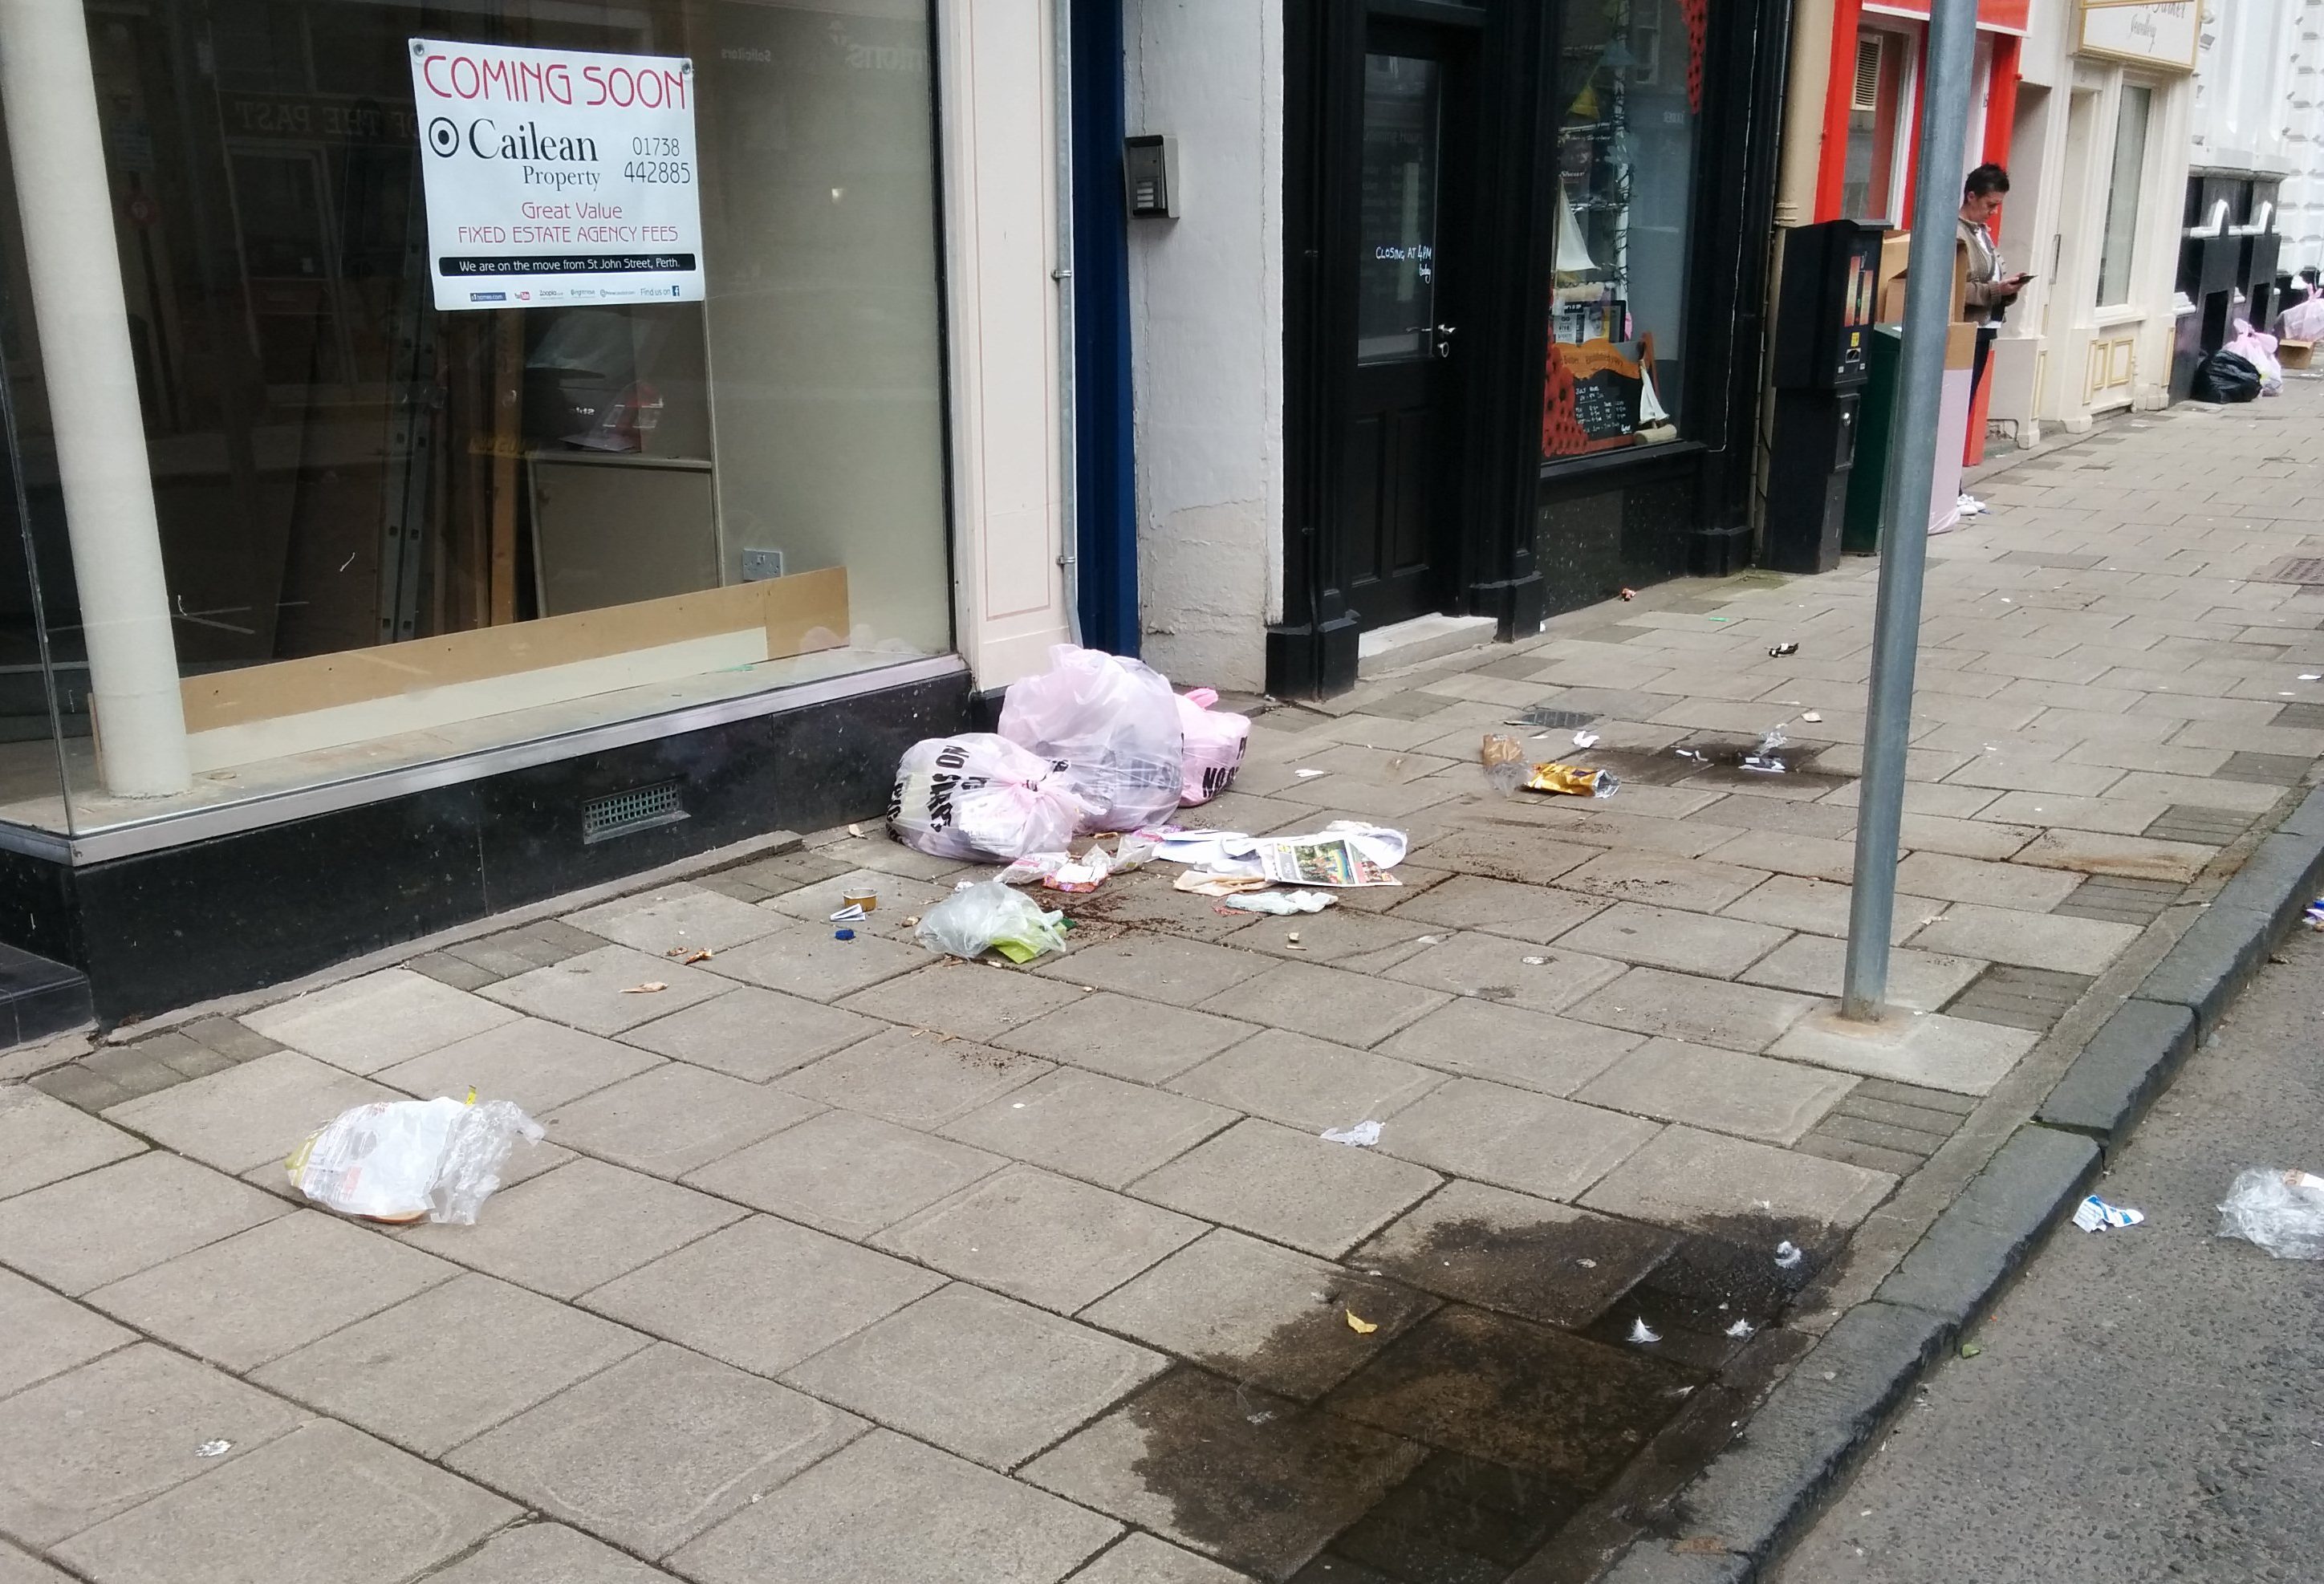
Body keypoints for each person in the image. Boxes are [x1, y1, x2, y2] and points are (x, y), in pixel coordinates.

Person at [1955, 164, 2031, 517]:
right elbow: (1956, 286)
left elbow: (1990, 278)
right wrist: (1996, 290)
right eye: (1990, 204)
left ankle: (1953, 486)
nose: (1993, 211)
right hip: (1965, 332)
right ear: (1971, 196)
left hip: (1984, 329)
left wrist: (2008, 290)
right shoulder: (1958, 234)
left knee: (1964, 406)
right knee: (1956, 407)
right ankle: (1948, 488)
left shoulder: (1981, 232)